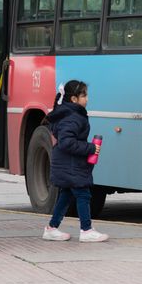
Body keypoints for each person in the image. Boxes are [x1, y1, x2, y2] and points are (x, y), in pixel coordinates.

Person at [42, 80, 109, 243]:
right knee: (83, 194)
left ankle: (51, 228)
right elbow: (67, 142)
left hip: (68, 163)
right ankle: (86, 230)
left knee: (66, 195)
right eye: (84, 95)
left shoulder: (68, 114)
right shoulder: (73, 117)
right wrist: (90, 148)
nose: (87, 99)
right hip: (71, 163)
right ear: (73, 99)